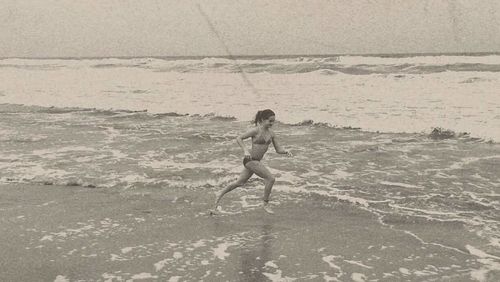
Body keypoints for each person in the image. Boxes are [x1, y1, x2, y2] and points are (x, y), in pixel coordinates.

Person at [212, 109, 293, 214]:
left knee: (239, 183)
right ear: (263, 120)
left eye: (273, 121)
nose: (272, 123)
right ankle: (265, 204)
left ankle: (219, 194)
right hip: (250, 160)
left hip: (255, 161)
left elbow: (278, 150)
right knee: (270, 179)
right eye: (270, 121)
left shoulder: (272, 134)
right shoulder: (256, 131)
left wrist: (286, 151)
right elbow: (239, 138)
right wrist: (245, 150)